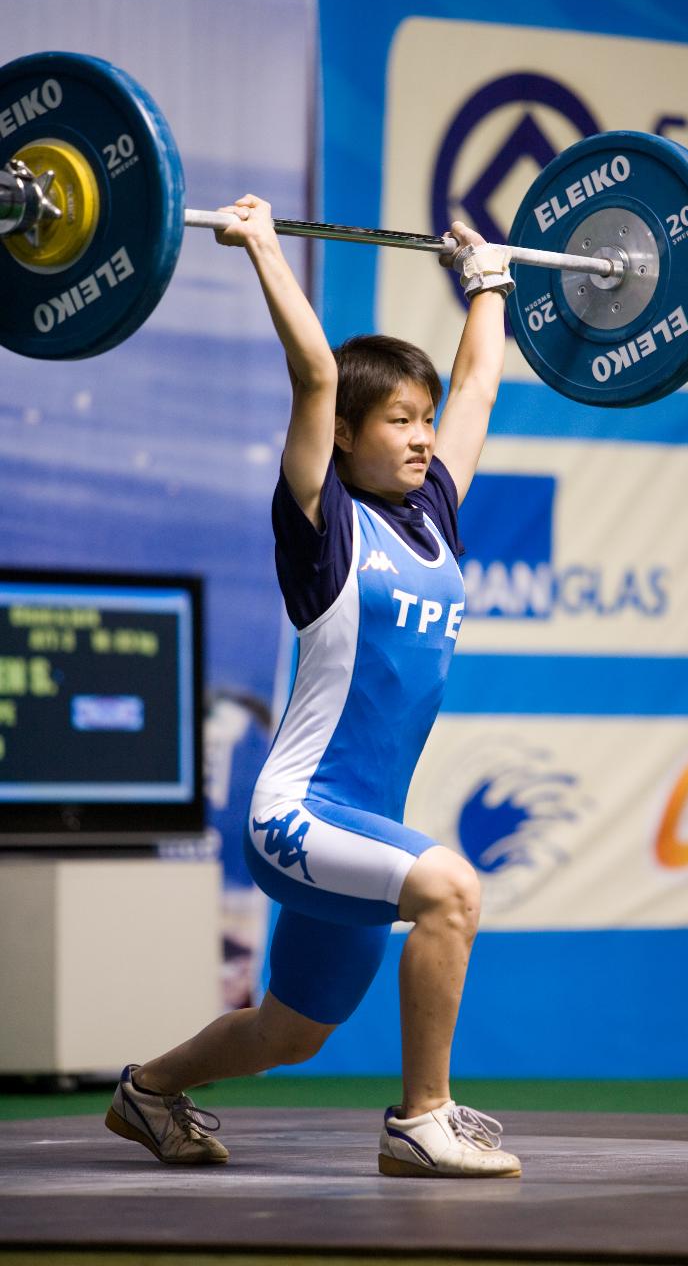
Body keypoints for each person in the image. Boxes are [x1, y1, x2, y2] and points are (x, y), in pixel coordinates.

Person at [105, 194, 521, 1178]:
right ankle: (422, 1119)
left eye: (424, 422)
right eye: (398, 421)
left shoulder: (433, 518)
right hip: (296, 815)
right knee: (452, 889)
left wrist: (489, 277)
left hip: (359, 824)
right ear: (344, 434)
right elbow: (316, 373)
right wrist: (261, 247)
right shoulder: (322, 524)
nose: (422, 438)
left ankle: (147, 1091)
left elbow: (479, 387)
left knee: (292, 1030)